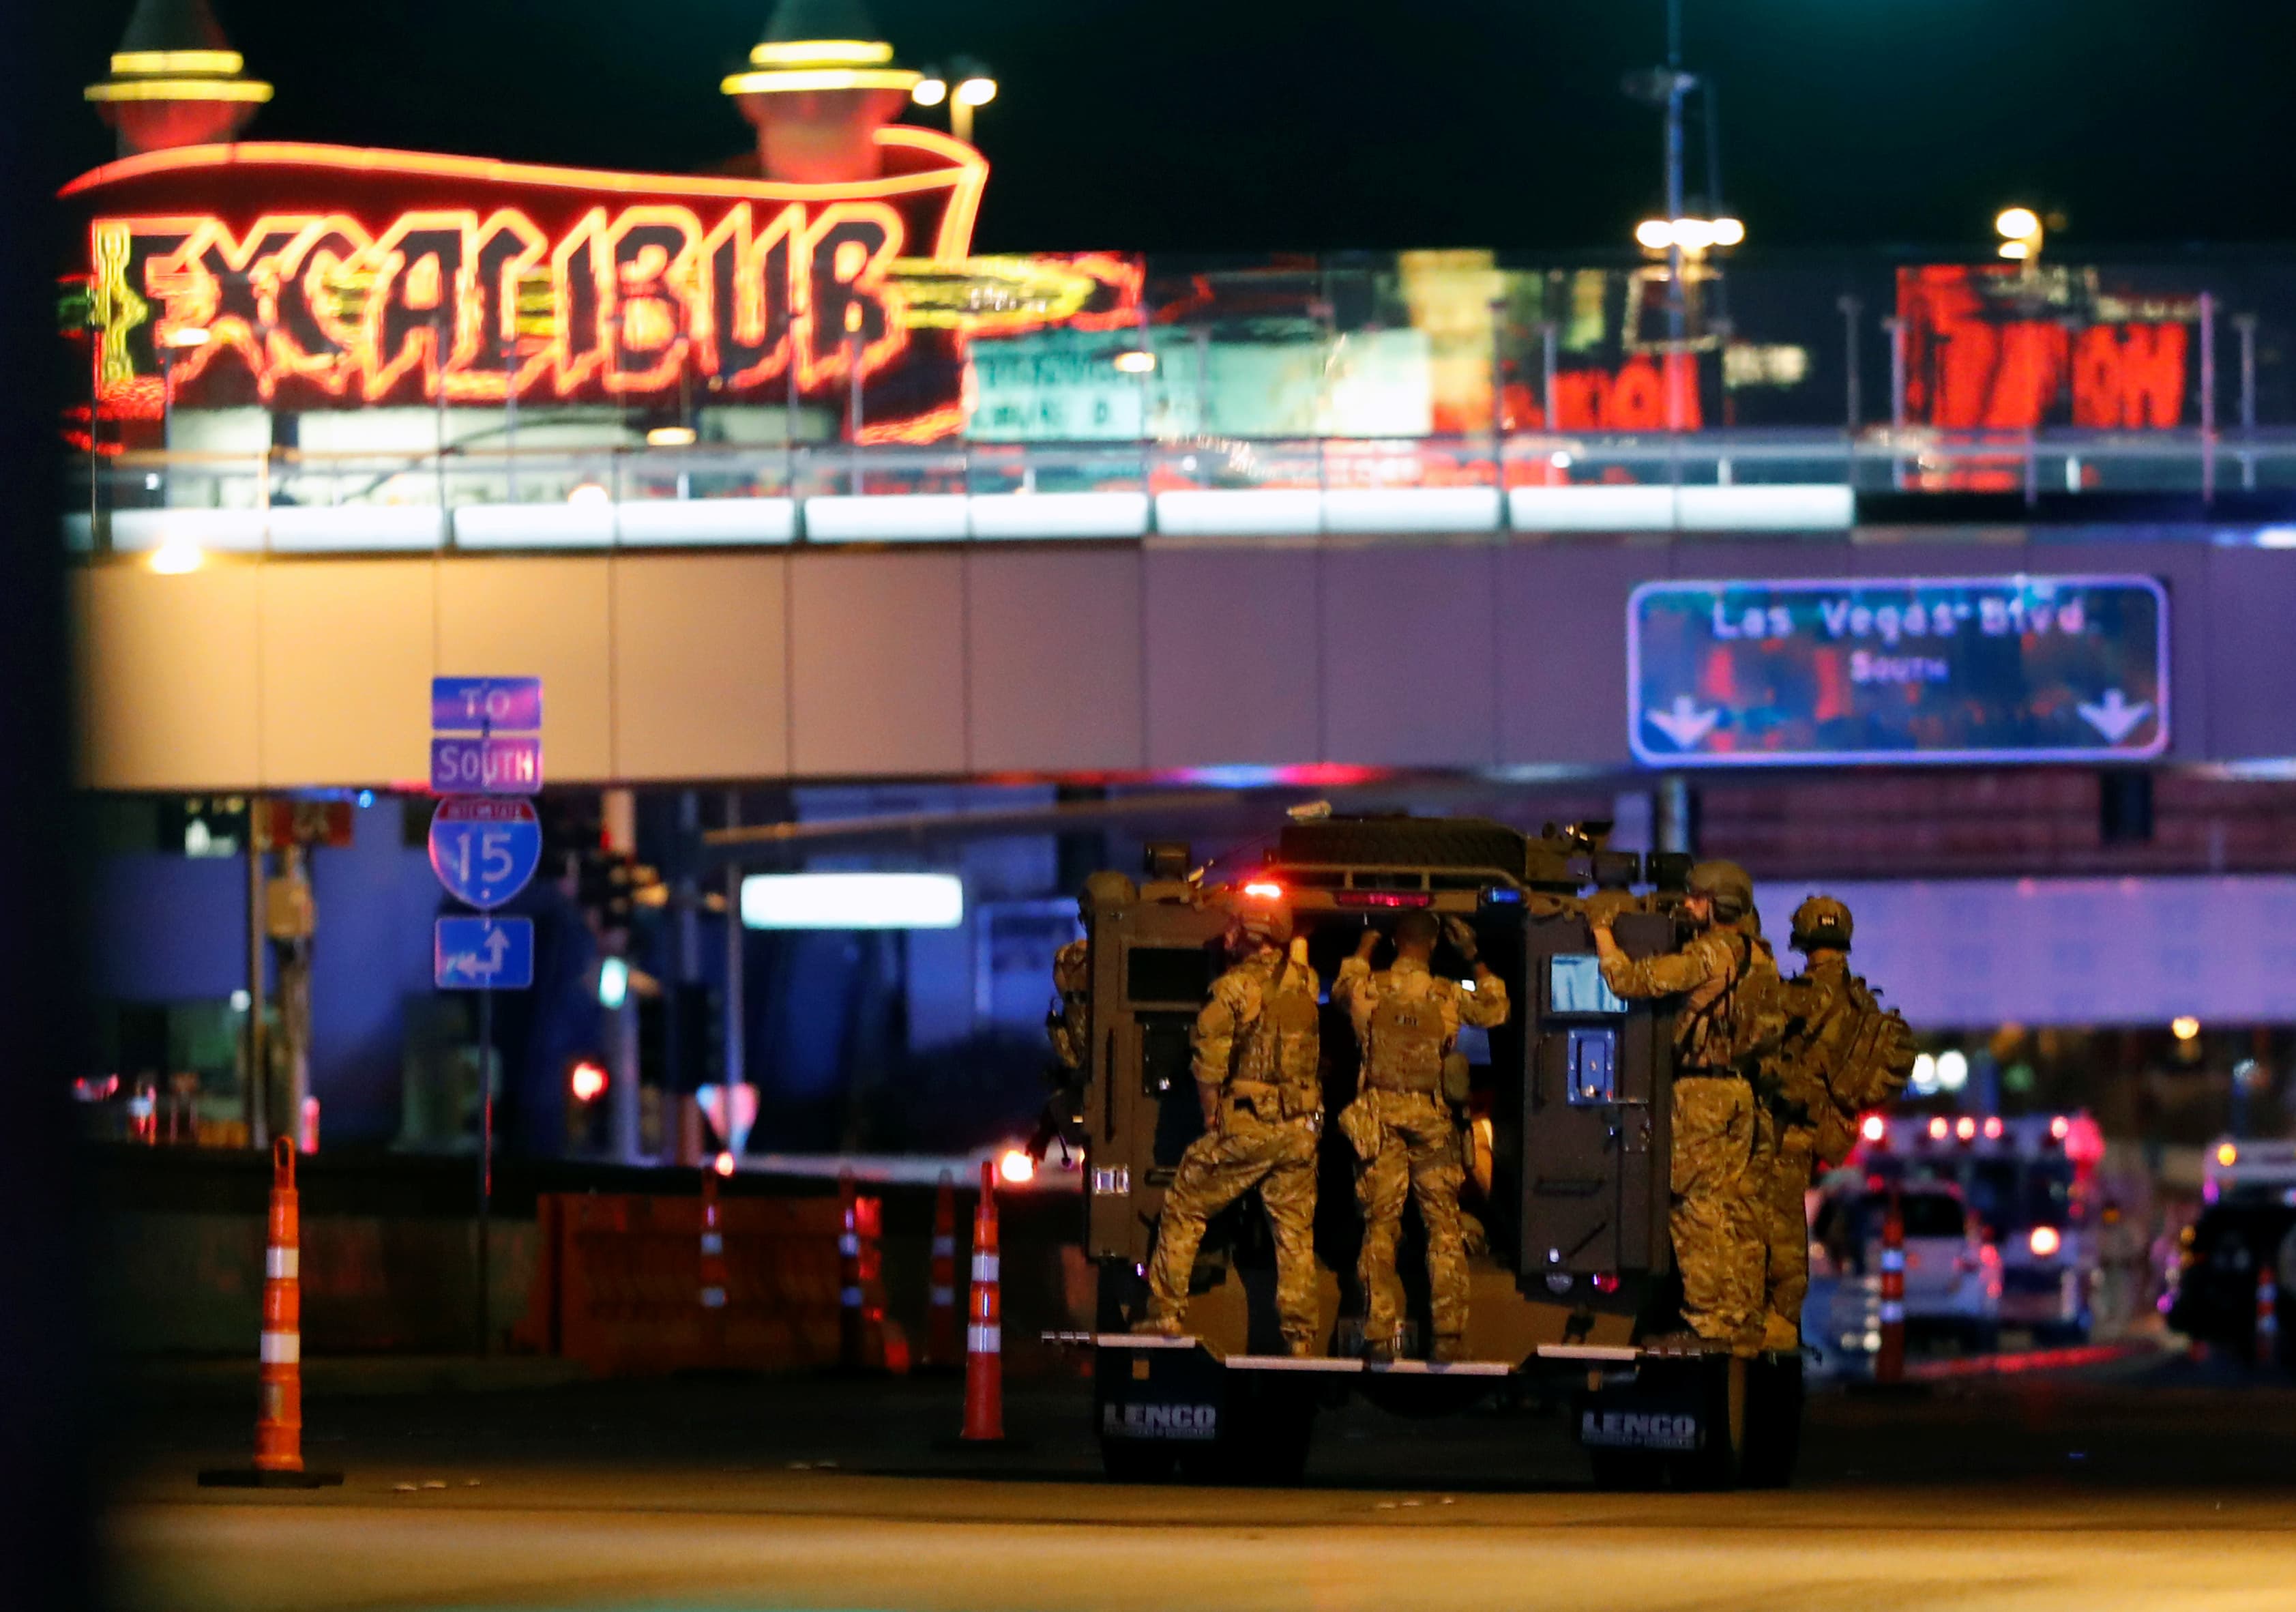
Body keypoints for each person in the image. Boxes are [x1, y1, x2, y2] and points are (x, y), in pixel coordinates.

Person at [1591, 860, 1780, 1353]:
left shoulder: (1710, 953)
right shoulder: (1760, 957)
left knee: (1692, 1203)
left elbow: (1631, 981)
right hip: (1740, 1091)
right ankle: (1739, 1316)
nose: (1689, 904)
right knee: (1731, 1206)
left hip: (1701, 1093)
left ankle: (1707, 1321)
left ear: (1720, 904)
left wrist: (1602, 934)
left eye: (1698, 897)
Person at [1134, 893, 1324, 1354]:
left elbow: (1208, 1062)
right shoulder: (1305, 979)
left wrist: (1211, 1114)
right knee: (1294, 1232)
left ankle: (1165, 1313)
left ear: (1251, 934)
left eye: (1238, 927)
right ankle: (1300, 1337)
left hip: (1251, 1126)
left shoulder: (1232, 989)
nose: (1231, 934)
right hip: (1300, 1130)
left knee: (1185, 1202)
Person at [1333, 910, 1510, 1364]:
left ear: (1396, 941)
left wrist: (1367, 942)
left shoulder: (1368, 986)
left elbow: (1338, 990)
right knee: (1444, 1229)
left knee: (1380, 1227)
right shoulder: (1447, 994)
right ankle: (1448, 1334)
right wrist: (1474, 957)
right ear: (1432, 945)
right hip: (1431, 1121)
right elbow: (1497, 1007)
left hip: (1381, 1122)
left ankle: (1377, 1331)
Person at [1761, 894, 1861, 1351]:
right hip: (1820, 1131)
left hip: (1785, 1130)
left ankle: (1777, 1335)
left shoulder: (1798, 997)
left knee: (1778, 1240)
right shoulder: (1860, 1002)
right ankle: (1782, 1332)